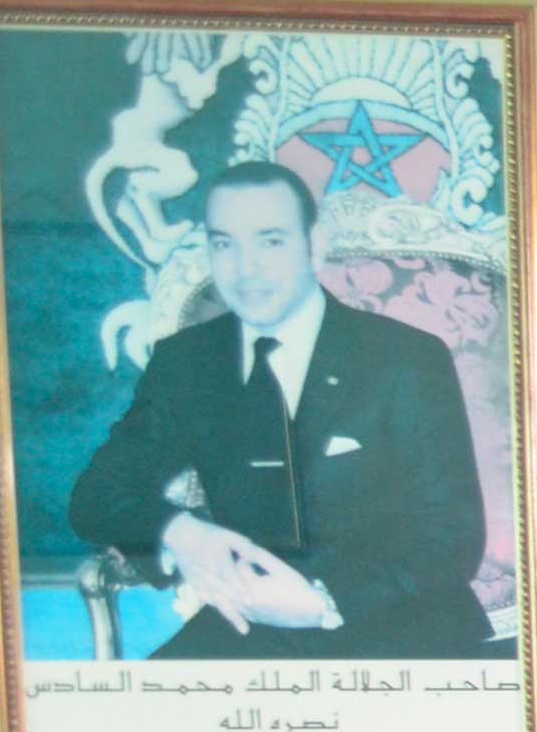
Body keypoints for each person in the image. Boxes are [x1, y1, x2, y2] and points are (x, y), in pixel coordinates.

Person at [67, 159, 499, 660]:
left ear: (314, 245)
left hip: (400, 627)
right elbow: (96, 497)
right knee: (135, 729)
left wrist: (323, 601)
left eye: (270, 241)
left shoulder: (404, 357)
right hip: (250, 629)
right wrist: (179, 532)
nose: (245, 269)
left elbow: (452, 536)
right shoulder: (189, 362)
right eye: (224, 243)